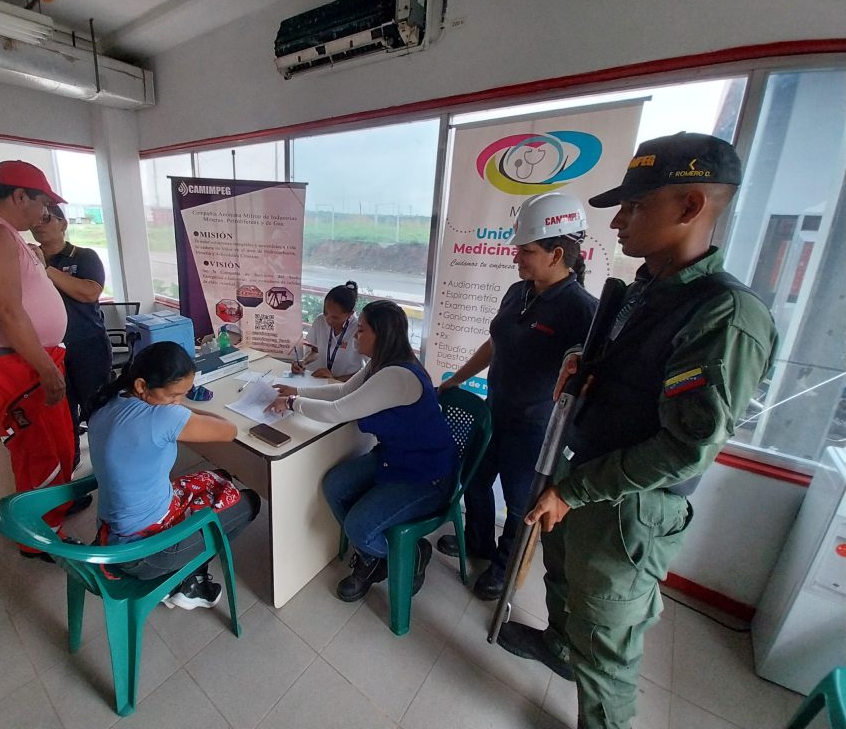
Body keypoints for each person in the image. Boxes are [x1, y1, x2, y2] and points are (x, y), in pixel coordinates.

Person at [497, 133, 778, 729]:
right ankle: (559, 646)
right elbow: (626, 367)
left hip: (626, 507)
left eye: (635, 206)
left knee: (607, 642)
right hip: (580, 471)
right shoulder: (646, 289)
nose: (617, 222)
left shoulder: (724, 314)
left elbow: (684, 449)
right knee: (562, 578)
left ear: (689, 206)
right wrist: (578, 357)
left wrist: (573, 491)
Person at [436, 192, 598, 600]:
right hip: (494, 414)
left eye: (526, 251)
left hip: (534, 429)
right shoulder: (518, 291)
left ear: (556, 254)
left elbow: (588, 384)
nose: (516, 258)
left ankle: (504, 565)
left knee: (520, 502)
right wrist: (457, 379)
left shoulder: (582, 311)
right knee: (473, 481)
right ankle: (478, 542)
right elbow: (496, 343)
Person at [268, 300, 457, 602]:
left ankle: (412, 553)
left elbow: (338, 411)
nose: (355, 334)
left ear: (381, 334)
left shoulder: (397, 376)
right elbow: (343, 391)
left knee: (358, 527)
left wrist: (292, 404)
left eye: (362, 330)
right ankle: (371, 557)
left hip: (426, 476)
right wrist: (297, 391)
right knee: (334, 485)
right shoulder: (379, 364)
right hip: (395, 458)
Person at [0, 160, 82, 561]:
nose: (44, 214)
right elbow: (6, 311)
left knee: (55, 445)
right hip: (19, 365)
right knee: (40, 453)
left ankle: (53, 514)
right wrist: (45, 368)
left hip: (29, 358)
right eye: (42, 203)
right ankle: (39, 539)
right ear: (20, 196)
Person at [87, 341, 261, 609]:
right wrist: (181, 412)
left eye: (184, 394)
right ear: (141, 386)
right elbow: (229, 430)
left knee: (219, 476)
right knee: (249, 501)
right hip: (143, 553)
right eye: (173, 395)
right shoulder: (162, 418)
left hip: (111, 533)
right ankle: (189, 581)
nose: (178, 402)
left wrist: (175, 407)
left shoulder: (109, 399)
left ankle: (185, 572)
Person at [31, 203, 112, 470]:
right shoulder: (27, 260)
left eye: (46, 218)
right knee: (63, 413)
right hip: (50, 350)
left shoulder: (84, 256)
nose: (38, 224)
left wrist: (46, 269)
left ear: (63, 224)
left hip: (88, 345)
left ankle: (107, 462)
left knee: (96, 407)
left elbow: (89, 293)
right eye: (35, 220)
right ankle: (71, 466)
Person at [293, 280, 365, 380]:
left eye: (335, 317)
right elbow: (316, 351)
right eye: (325, 312)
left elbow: (366, 371)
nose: (328, 320)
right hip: (323, 381)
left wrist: (334, 379)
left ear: (350, 314)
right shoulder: (320, 320)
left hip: (347, 384)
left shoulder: (358, 329)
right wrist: (303, 361)